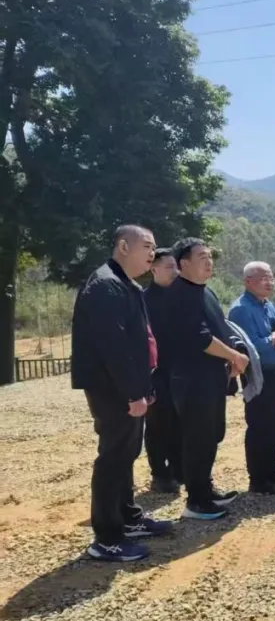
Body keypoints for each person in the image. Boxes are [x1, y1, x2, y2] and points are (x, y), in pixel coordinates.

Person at [71, 225, 172, 562]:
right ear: (123, 247)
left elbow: (139, 342)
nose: (152, 254)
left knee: (127, 454)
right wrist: (133, 392)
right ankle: (107, 538)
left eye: (154, 248)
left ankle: (127, 517)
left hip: (129, 386)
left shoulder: (126, 285)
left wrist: (145, 386)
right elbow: (114, 348)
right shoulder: (104, 285)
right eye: (147, 246)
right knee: (113, 458)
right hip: (111, 388)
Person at [165, 238, 248, 520]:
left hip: (211, 376)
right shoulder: (179, 294)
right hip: (192, 379)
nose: (209, 262)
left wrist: (231, 357)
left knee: (211, 435)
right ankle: (196, 501)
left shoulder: (205, 291)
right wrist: (234, 356)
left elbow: (220, 329)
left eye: (210, 256)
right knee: (197, 438)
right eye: (202, 257)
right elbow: (200, 337)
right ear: (184, 263)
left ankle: (205, 488)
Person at [229, 262, 275, 494]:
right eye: (263, 278)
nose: (269, 282)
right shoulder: (241, 309)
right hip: (258, 374)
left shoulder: (269, 305)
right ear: (248, 281)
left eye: (271, 277)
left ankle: (271, 469)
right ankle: (257, 478)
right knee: (259, 425)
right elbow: (251, 346)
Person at [143, 247, 183, 494]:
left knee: (180, 422)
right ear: (153, 269)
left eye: (176, 266)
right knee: (157, 425)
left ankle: (179, 468)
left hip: (182, 371)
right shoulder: (143, 300)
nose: (175, 272)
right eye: (169, 267)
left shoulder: (183, 297)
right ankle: (159, 473)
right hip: (157, 373)